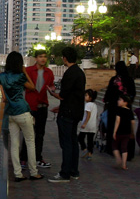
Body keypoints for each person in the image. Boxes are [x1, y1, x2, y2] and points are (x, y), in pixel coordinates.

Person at [0, 51, 43, 182]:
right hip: (22, 111)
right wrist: (25, 72)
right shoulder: (20, 76)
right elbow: (32, 87)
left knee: (14, 144)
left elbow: (4, 97)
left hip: (11, 114)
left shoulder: (2, 76)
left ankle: (18, 174)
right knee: (30, 142)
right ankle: (34, 172)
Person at [48, 47, 86, 183]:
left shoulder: (70, 73)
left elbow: (63, 95)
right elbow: (74, 96)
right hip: (76, 112)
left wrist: (52, 93)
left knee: (66, 143)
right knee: (73, 142)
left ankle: (64, 173)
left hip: (67, 114)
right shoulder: (80, 73)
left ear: (65, 58)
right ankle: (74, 171)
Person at [23, 49, 55, 168]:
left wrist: (52, 90)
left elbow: (51, 85)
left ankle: (37, 158)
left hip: (42, 106)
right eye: (40, 56)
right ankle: (24, 159)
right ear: (36, 58)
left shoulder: (49, 72)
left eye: (45, 57)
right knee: (28, 133)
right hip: (30, 106)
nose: (43, 59)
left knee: (40, 134)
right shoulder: (28, 71)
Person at [103, 61, 135, 155]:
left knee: (114, 127)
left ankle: (112, 149)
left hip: (114, 108)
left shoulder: (114, 80)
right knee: (126, 129)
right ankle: (126, 150)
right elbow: (133, 93)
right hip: (126, 108)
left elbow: (108, 94)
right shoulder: (129, 80)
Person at [112, 94, 135, 171]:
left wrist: (114, 131)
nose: (118, 101)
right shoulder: (130, 111)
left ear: (125, 102)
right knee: (124, 147)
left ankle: (118, 158)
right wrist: (132, 132)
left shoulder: (119, 110)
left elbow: (117, 121)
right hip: (127, 132)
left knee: (115, 146)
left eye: (120, 100)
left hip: (119, 131)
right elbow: (133, 122)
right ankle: (124, 164)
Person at [79, 89, 98, 160]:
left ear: (90, 97)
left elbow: (88, 115)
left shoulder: (88, 105)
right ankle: (90, 154)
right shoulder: (95, 105)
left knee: (80, 138)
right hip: (93, 126)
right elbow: (96, 115)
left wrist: (84, 123)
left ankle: (84, 149)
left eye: (86, 95)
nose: (85, 97)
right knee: (90, 141)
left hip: (87, 125)